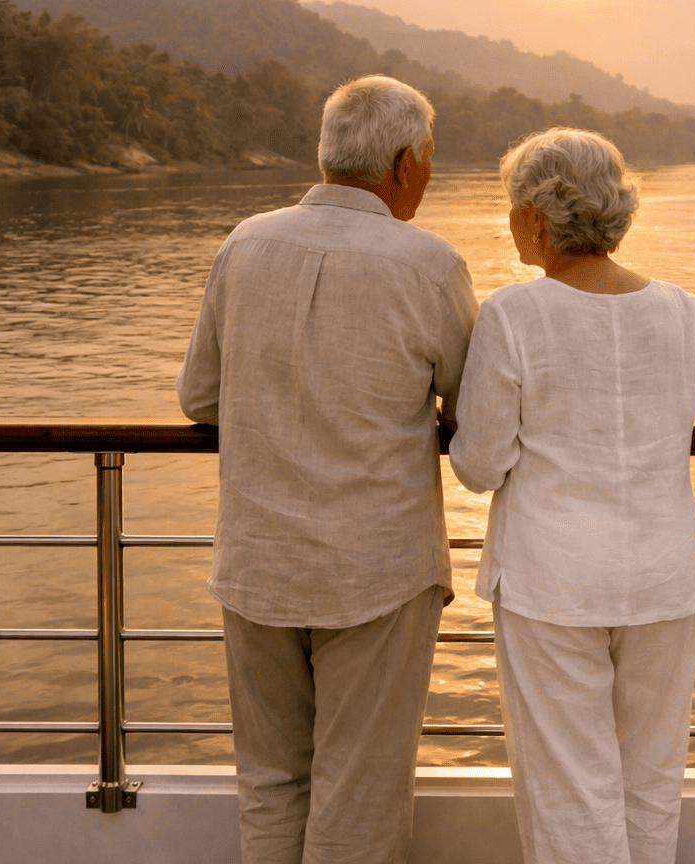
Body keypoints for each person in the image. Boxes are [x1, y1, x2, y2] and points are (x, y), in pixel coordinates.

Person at [448, 127, 695, 864]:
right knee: (650, 782)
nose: (510, 221)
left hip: (552, 585)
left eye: (513, 207)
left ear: (537, 216)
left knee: (571, 790)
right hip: (663, 578)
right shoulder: (677, 310)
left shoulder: (514, 315)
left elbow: (476, 465)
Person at [177, 75, 478, 864]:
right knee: (361, 793)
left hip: (257, 560)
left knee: (270, 782)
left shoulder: (244, 243)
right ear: (404, 163)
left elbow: (198, 396)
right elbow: (471, 408)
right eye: (432, 158)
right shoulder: (430, 265)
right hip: (376, 572)